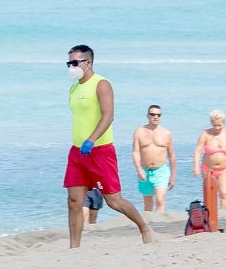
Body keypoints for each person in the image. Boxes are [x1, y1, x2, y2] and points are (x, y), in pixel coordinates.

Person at [63, 44, 153, 248]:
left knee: (114, 201)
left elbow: (108, 115)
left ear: (88, 62)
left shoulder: (101, 84)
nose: (71, 67)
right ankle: (74, 248)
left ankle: (144, 228)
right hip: (77, 153)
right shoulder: (74, 87)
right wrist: (81, 144)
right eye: (68, 63)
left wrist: (92, 139)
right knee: (74, 201)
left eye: (75, 62)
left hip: (100, 151)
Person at [193, 109, 226, 209]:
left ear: (224, 123)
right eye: (214, 125)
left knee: (224, 194)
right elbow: (197, 151)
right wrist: (196, 167)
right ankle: (210, 217)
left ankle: (225, 217)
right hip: (208, 169)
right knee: (210, 195)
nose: (217, 128)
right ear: (211, 122)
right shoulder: (205, 134)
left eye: (219, 125)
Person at [132, 104, 176, 212]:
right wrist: (139, 169)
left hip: (161, 170)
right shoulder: (139, 131)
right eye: (152, 114)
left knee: (160, 200)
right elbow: (136, 152)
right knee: (147, 204)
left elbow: (171, 155)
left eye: (158, 115)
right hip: (145, 170)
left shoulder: (166, 133)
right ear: (148, 115)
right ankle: (149, 225)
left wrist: (173, 175)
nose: (155, 117)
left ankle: (160, 223)